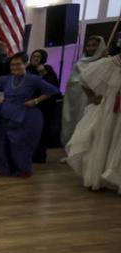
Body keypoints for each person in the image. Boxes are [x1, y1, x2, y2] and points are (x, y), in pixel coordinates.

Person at [0, 53, 60, 177]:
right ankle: (4, 166)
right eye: (12, 64)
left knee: (20, 143)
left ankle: (22, 168)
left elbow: (52, 90)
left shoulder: (34, 79)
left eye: (18, 64)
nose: (15, 67)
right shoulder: (4, 79)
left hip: (25, 114)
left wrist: (36, 100)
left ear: (25, 64)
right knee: (3, 141)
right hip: (5, 112)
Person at [66, 53, 121, 193]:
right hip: (109, 110)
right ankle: (99, 177)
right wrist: (92, 96)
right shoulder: (109, 63)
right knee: (103, 140)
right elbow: (84, 78)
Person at [63, 36, 106, 145]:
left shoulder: (107, 61)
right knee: (79, 124)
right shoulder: (81, 62)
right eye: (89, 45)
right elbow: (73, 81)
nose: (91, 48)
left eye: (94, 45)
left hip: (100, 101)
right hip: (80, 100)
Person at [27, 49, 62, 163]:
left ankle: (40, 156)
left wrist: (43, 72)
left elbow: (52, 88)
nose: (35, 58)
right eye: (33, 56)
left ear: (43, 58)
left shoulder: (47, 70)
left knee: (41, 131)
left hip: (43, 106)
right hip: (28, 105)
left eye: (38, 56)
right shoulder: (27, 69)